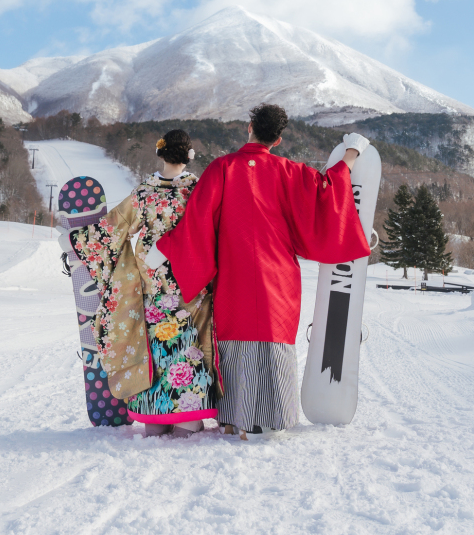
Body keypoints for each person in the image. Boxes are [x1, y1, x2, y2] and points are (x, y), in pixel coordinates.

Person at [145, 104, 370, 440]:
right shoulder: (290, 171)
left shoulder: (222, 168)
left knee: (233, 343)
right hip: (277, 276)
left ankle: (233, 418)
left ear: (248, 127)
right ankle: (271, 418)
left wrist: (164, 248)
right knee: (272, 340)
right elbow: (329, 190)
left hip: (234, 273)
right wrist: (352, 152)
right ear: (277, 139)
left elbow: (197, 218)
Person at [74, 129, 216, 438]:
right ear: (190, 155)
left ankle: (155, 416)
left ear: (161, 154)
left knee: (156, 348)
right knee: (190, 347)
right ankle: (189, 414)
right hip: (192, 282)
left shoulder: (145, 192)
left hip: (154, 284)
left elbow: (115, 227)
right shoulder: (199, 190)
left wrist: (79, 242)